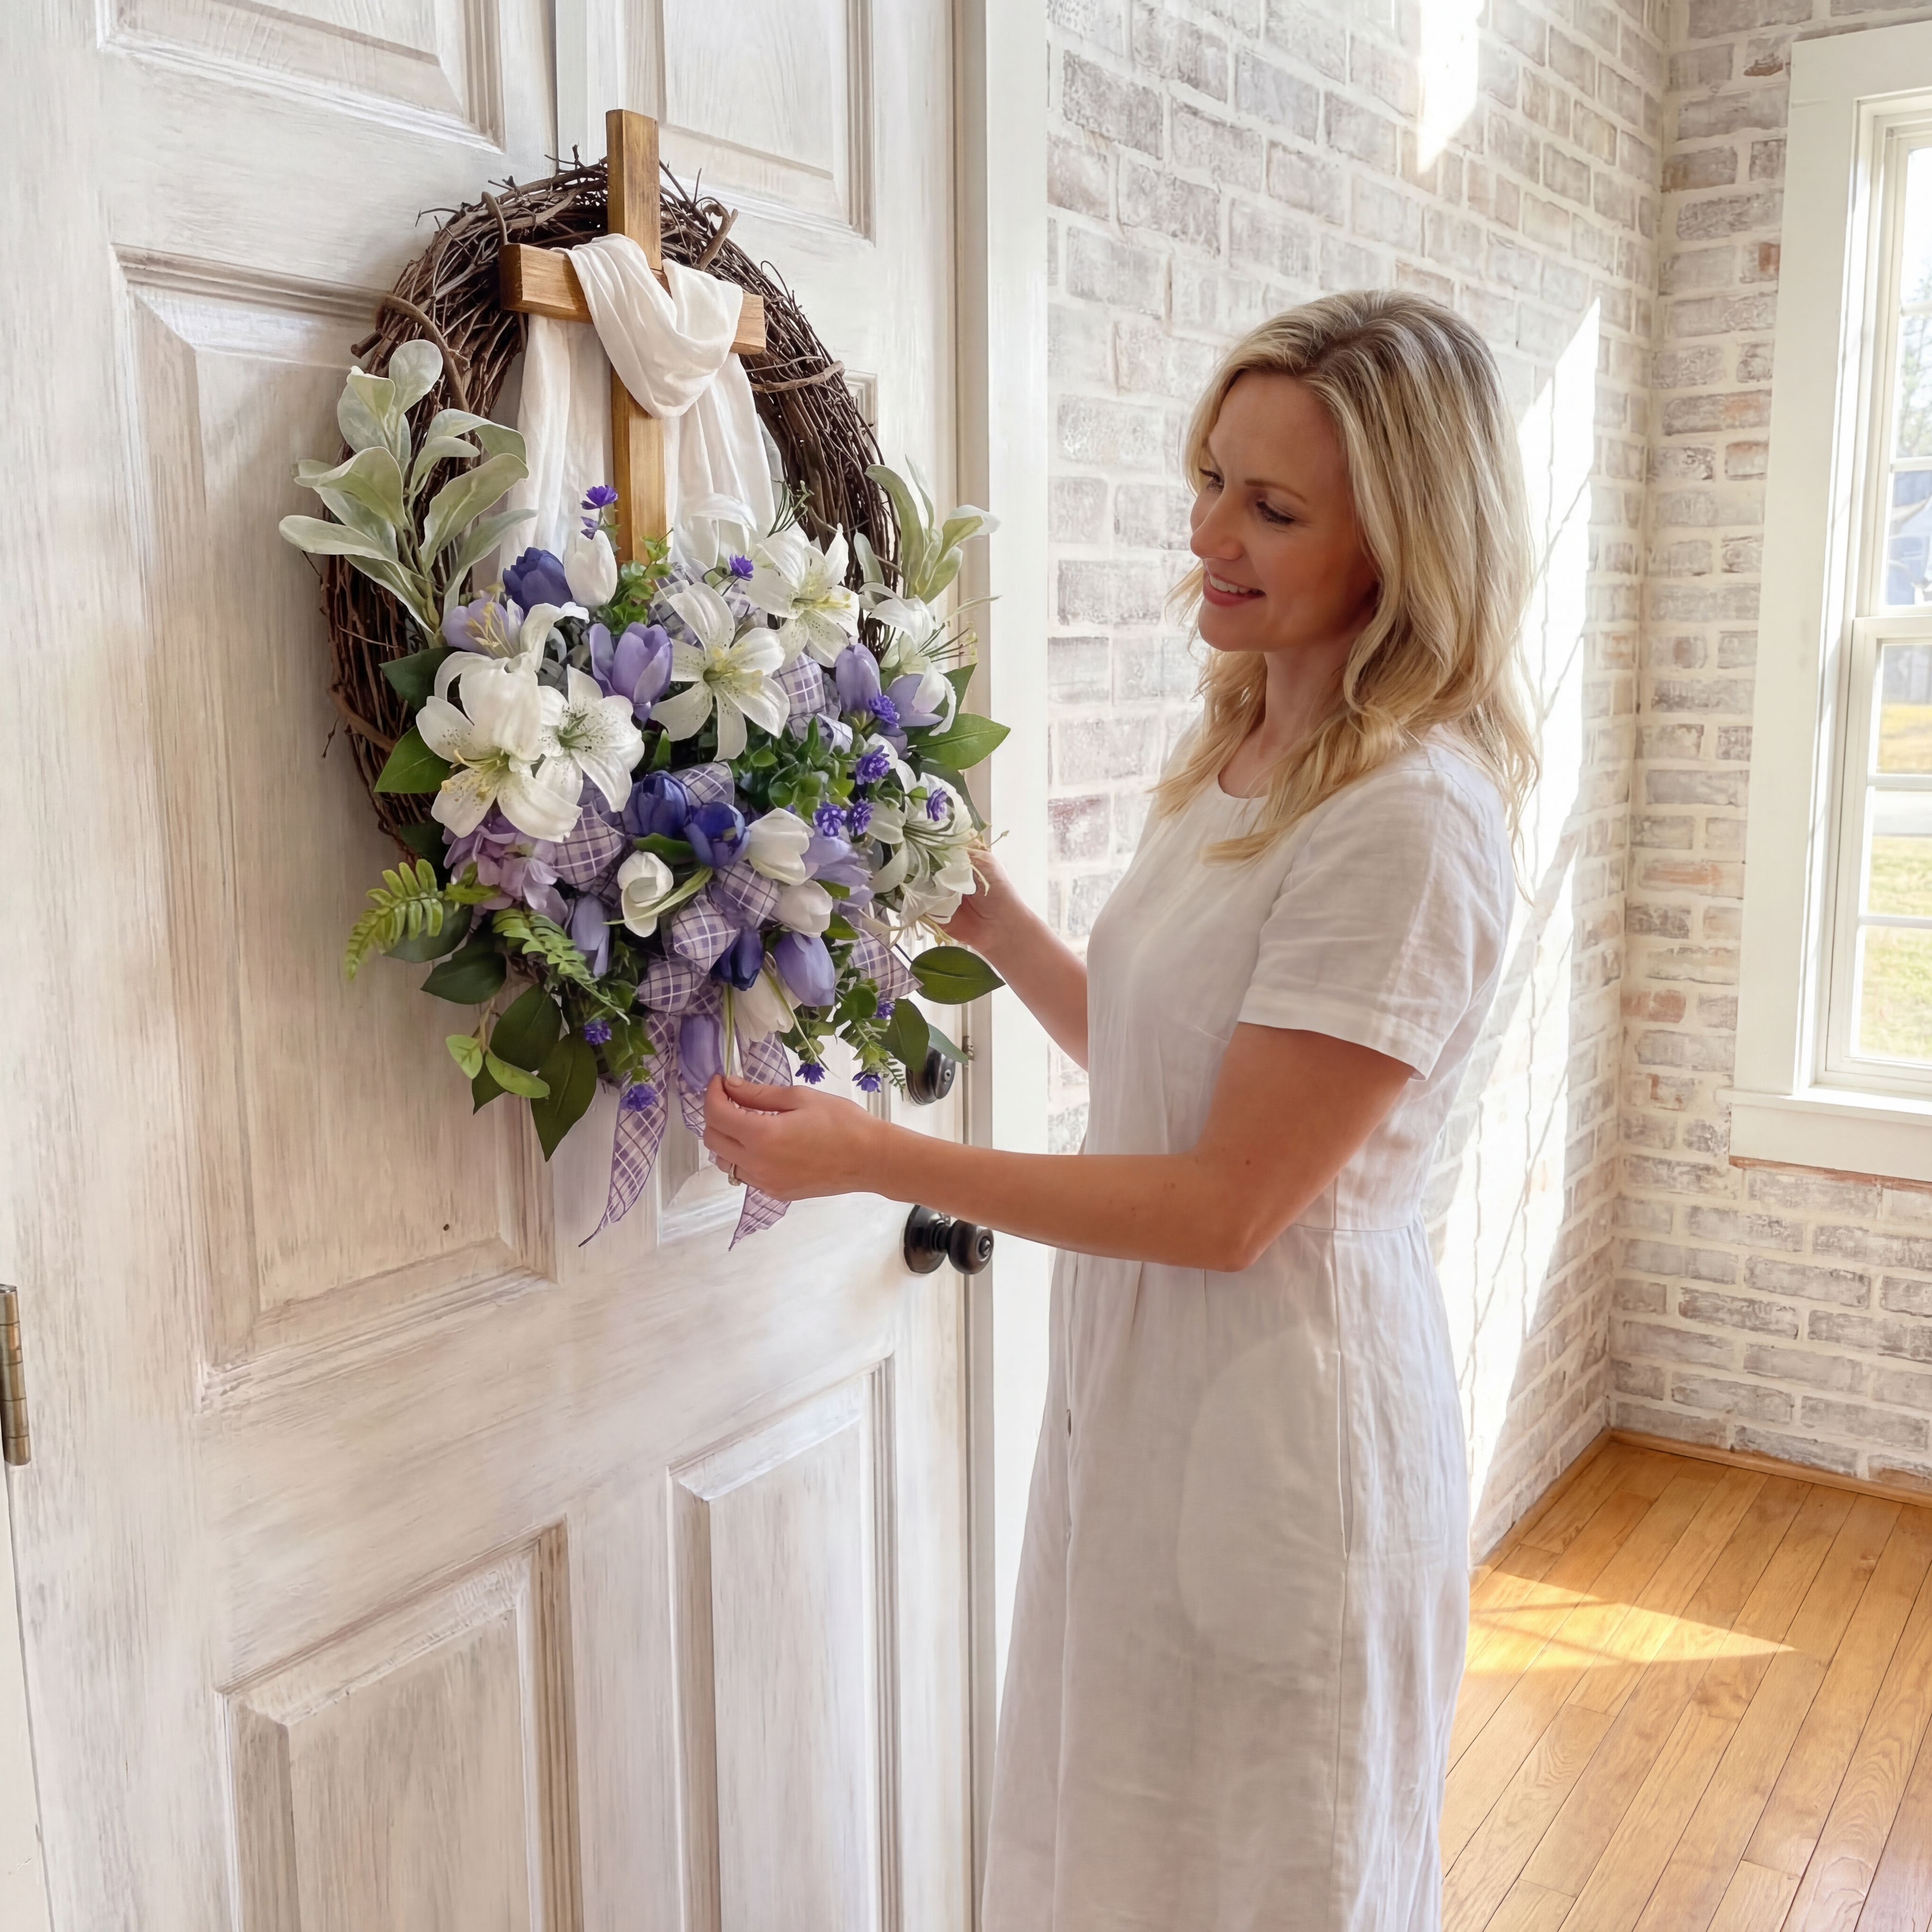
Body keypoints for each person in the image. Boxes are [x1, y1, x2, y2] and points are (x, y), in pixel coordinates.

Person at [703, 288, 1538, 1932]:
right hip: (1150, 1394)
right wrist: (1001, 923)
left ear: (1409, 547)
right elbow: (1177, 1081)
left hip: (1285, 1425)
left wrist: (879, 1156)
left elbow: (1229, 1203)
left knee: (1256, 1872)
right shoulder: (1249, 751)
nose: (1207, 531)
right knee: (1126, 1848)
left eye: (1273, 506)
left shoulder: (1410, 824)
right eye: (1212, 477)